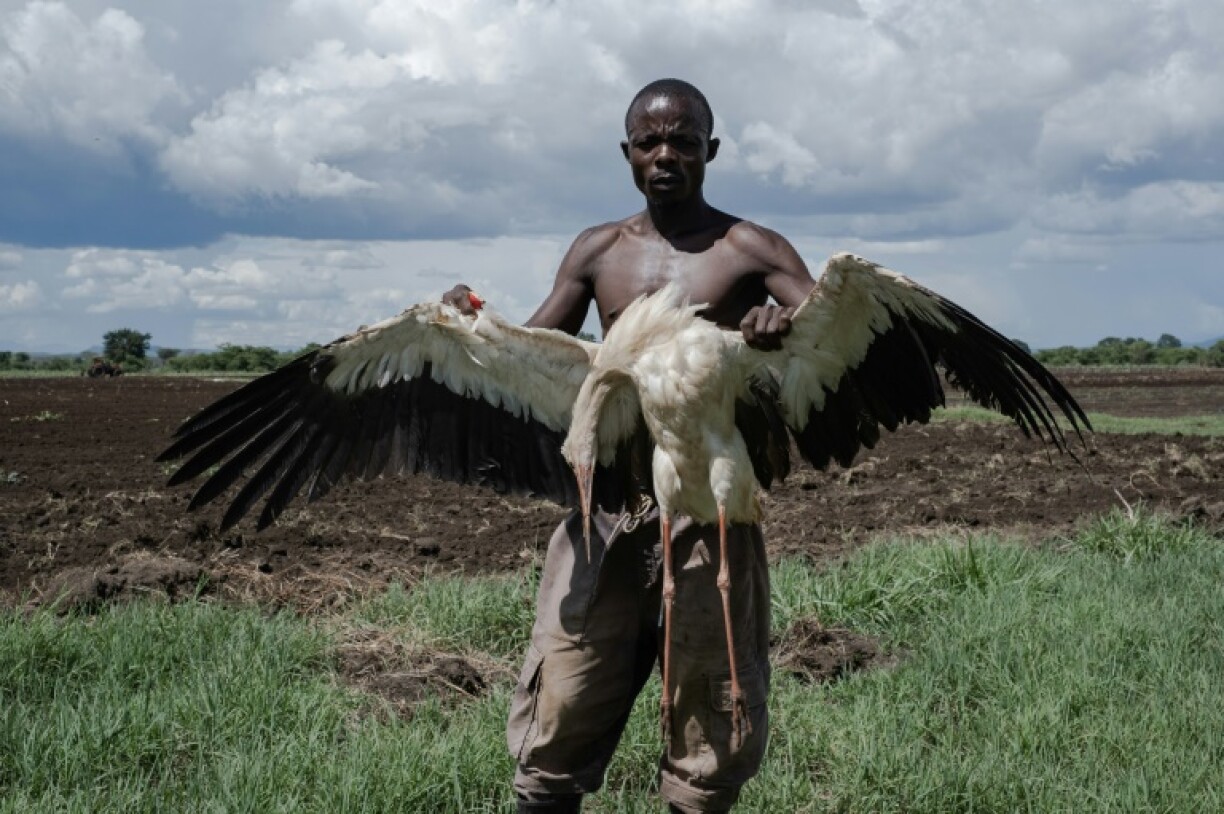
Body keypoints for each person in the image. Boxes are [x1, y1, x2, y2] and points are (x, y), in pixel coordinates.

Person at [445, 78, 816, 814]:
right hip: (606, 511)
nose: (666, 154)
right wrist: (469, 323)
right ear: (628, 153)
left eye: (683, 139)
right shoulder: (597, 252)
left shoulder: (750, 249)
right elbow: (531, 354)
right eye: (650, 141)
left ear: (710, 150)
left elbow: (824, 331)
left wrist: (783, 326)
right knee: (562, 704)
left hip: (707, 512)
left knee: (710, 722)